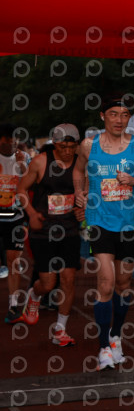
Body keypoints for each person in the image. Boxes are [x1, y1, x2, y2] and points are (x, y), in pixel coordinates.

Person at [73, 97, 134, 370]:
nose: (119, 120)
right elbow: (78, 170)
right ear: (103, 116)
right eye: (113, 114)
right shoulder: (88, 145)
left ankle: (115, 336)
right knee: (106, 284)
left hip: (129, 225)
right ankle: (103, 346)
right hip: (99, 222)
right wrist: (79, 191)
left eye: (124, 115)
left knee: (123, 285)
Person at [17, 124, 82, 346]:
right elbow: (21, 190)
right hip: (43, 231)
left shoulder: (81, 164)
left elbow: (86, 193)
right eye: (63, 147)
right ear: (55, 144)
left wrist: (82, 209)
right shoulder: (40, 162)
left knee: (68, 279)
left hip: (70, 229)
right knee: (47, 283)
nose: (68, 151)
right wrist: (31, 213)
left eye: (72, 146)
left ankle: (60, 330)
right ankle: (35, 296)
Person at [0, 123, 29, 324]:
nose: (12, 143)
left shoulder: (24, 157)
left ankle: (13, 306)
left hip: (15, 217)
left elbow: (30, 183)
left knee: (13, 261)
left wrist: (22, 166)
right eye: (7, 139)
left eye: (14, 139)